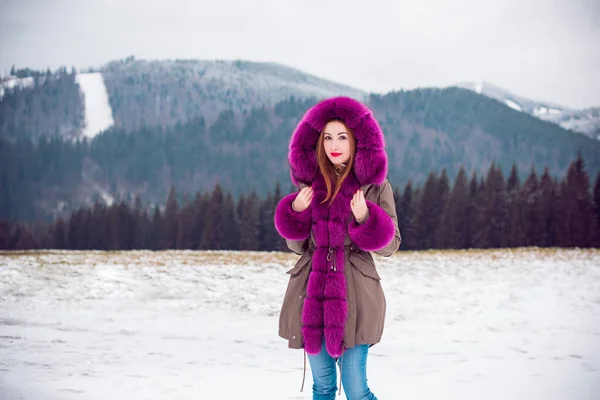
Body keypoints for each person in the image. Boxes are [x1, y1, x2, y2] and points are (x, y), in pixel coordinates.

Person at [274, 96, 401, 400]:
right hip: (312, 297)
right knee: (323, 387)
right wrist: (296, 211)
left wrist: (366, 218)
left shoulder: (375, 187)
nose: (334, 144)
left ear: (357, 140)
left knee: (356, 390)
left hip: (355, 296)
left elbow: (391, 244)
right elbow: (297, 246)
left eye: (342, 136)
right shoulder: (309, 185)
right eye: (327, 137)